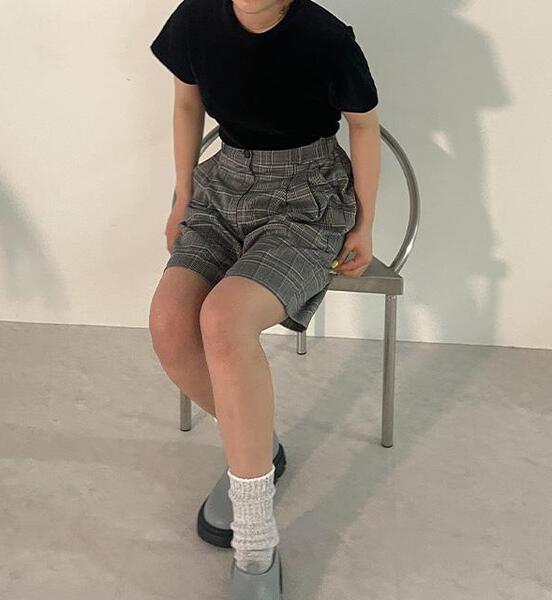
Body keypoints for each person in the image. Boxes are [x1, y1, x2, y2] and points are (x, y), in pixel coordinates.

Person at [148, 0, 380, 597]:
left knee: (224, 321)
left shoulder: (324, 36)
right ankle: (258, 448)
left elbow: (363, 126)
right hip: (222, 190)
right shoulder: (196, 17)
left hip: (307, 198)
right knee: (170, 324)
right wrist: (182, 196)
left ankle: (256, 543)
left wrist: (365, 223)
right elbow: (187, 103)